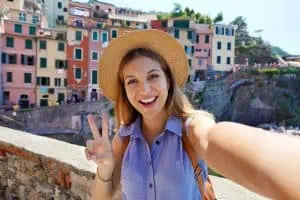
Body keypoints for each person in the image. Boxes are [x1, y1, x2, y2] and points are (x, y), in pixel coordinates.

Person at [84, 29, 300, 200]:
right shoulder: (124, 137)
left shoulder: (192, 125)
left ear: (168, 80)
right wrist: (106, 167)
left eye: (153, 76)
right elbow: (102, 197)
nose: (145, 90)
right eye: (132, 81)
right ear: (125, 89)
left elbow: (211, 138)